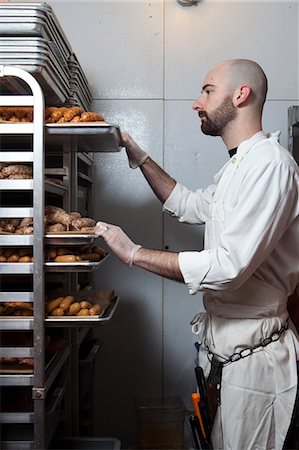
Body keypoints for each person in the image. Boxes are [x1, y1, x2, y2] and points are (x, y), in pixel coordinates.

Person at [94, 59, 299, 450]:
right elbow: (188, 205)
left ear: (241, 95)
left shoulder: (271, 167)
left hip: (257, 363)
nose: (196, 103)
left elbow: (228, 268)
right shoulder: (240, 167)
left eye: (207, 90)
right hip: (227, 353)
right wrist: (139, 157)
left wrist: (133, 253)